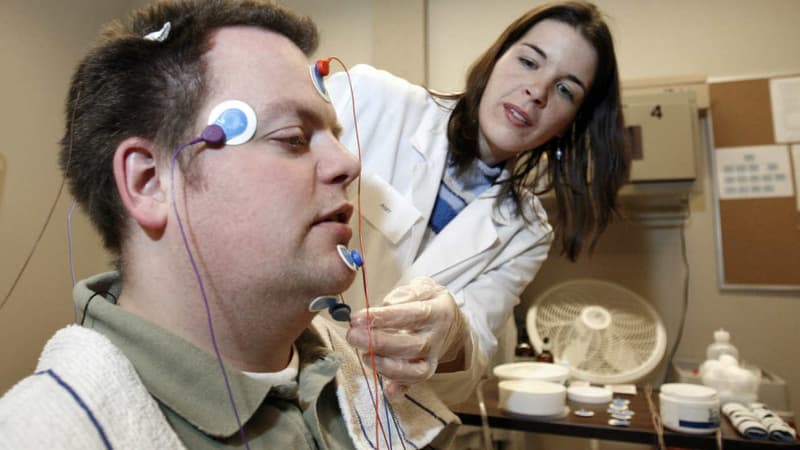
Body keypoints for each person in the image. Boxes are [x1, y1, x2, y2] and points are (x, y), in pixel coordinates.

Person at [0, 1, 459, 448]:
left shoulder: (367, 388)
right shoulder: (41, 433)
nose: (348, 163)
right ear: (149, 182)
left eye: (334, 136)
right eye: (293, 138)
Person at [330, 0, 629, 403]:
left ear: (570, 124)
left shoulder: (526, 232)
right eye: (528, 61)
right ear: (495, 60)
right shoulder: (372, 98)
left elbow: (470, 364)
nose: (537, 91)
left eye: (564, 89)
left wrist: (451, 336)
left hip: (377, 414)